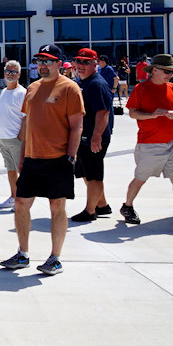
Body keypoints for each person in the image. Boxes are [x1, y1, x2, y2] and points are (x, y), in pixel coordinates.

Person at [0, 44, 84, 276]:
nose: (43, 65)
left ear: (59, 63)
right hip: (32, 159)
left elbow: (77, 126)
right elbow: (28, 123)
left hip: (58, 159)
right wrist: (22, 154)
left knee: (57, 207)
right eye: (39, 61)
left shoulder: (70, 88)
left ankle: (55, 258)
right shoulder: (33, 88)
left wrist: (71, 155)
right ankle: (23, 254)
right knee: (20, 204)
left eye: (47, 61)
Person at [121, 54, 173, 236]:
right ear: (154, 70)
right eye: (167, 71)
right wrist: (153, 115)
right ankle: (127, 206)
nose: (170, 74)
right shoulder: (141, 89)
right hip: (149, 144)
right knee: (140, 179)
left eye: (172, 71)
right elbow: (132, 113)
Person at [69, 48, 115, 223]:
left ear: (95, 63)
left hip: (94, 138)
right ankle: (102, 205)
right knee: (87, 174)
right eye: (78, 61)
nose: (81, 66)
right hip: (83, 136)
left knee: (94, 175)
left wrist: (97, 136)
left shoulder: (97, 84)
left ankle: (90, 211)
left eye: (86, 62)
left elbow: (103, 112)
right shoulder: (83, 82)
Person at [0, 60, 26, 211]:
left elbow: (27, 116)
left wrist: (21, 136)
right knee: (10, 170)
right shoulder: (3, 91)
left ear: (19, 74)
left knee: (21, 171)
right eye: (8, 71)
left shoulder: (22, 93)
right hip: (3, 138)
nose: (10, 74)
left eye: (14, 72)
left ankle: (22, 200)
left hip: (15, 139)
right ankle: (13, 197)